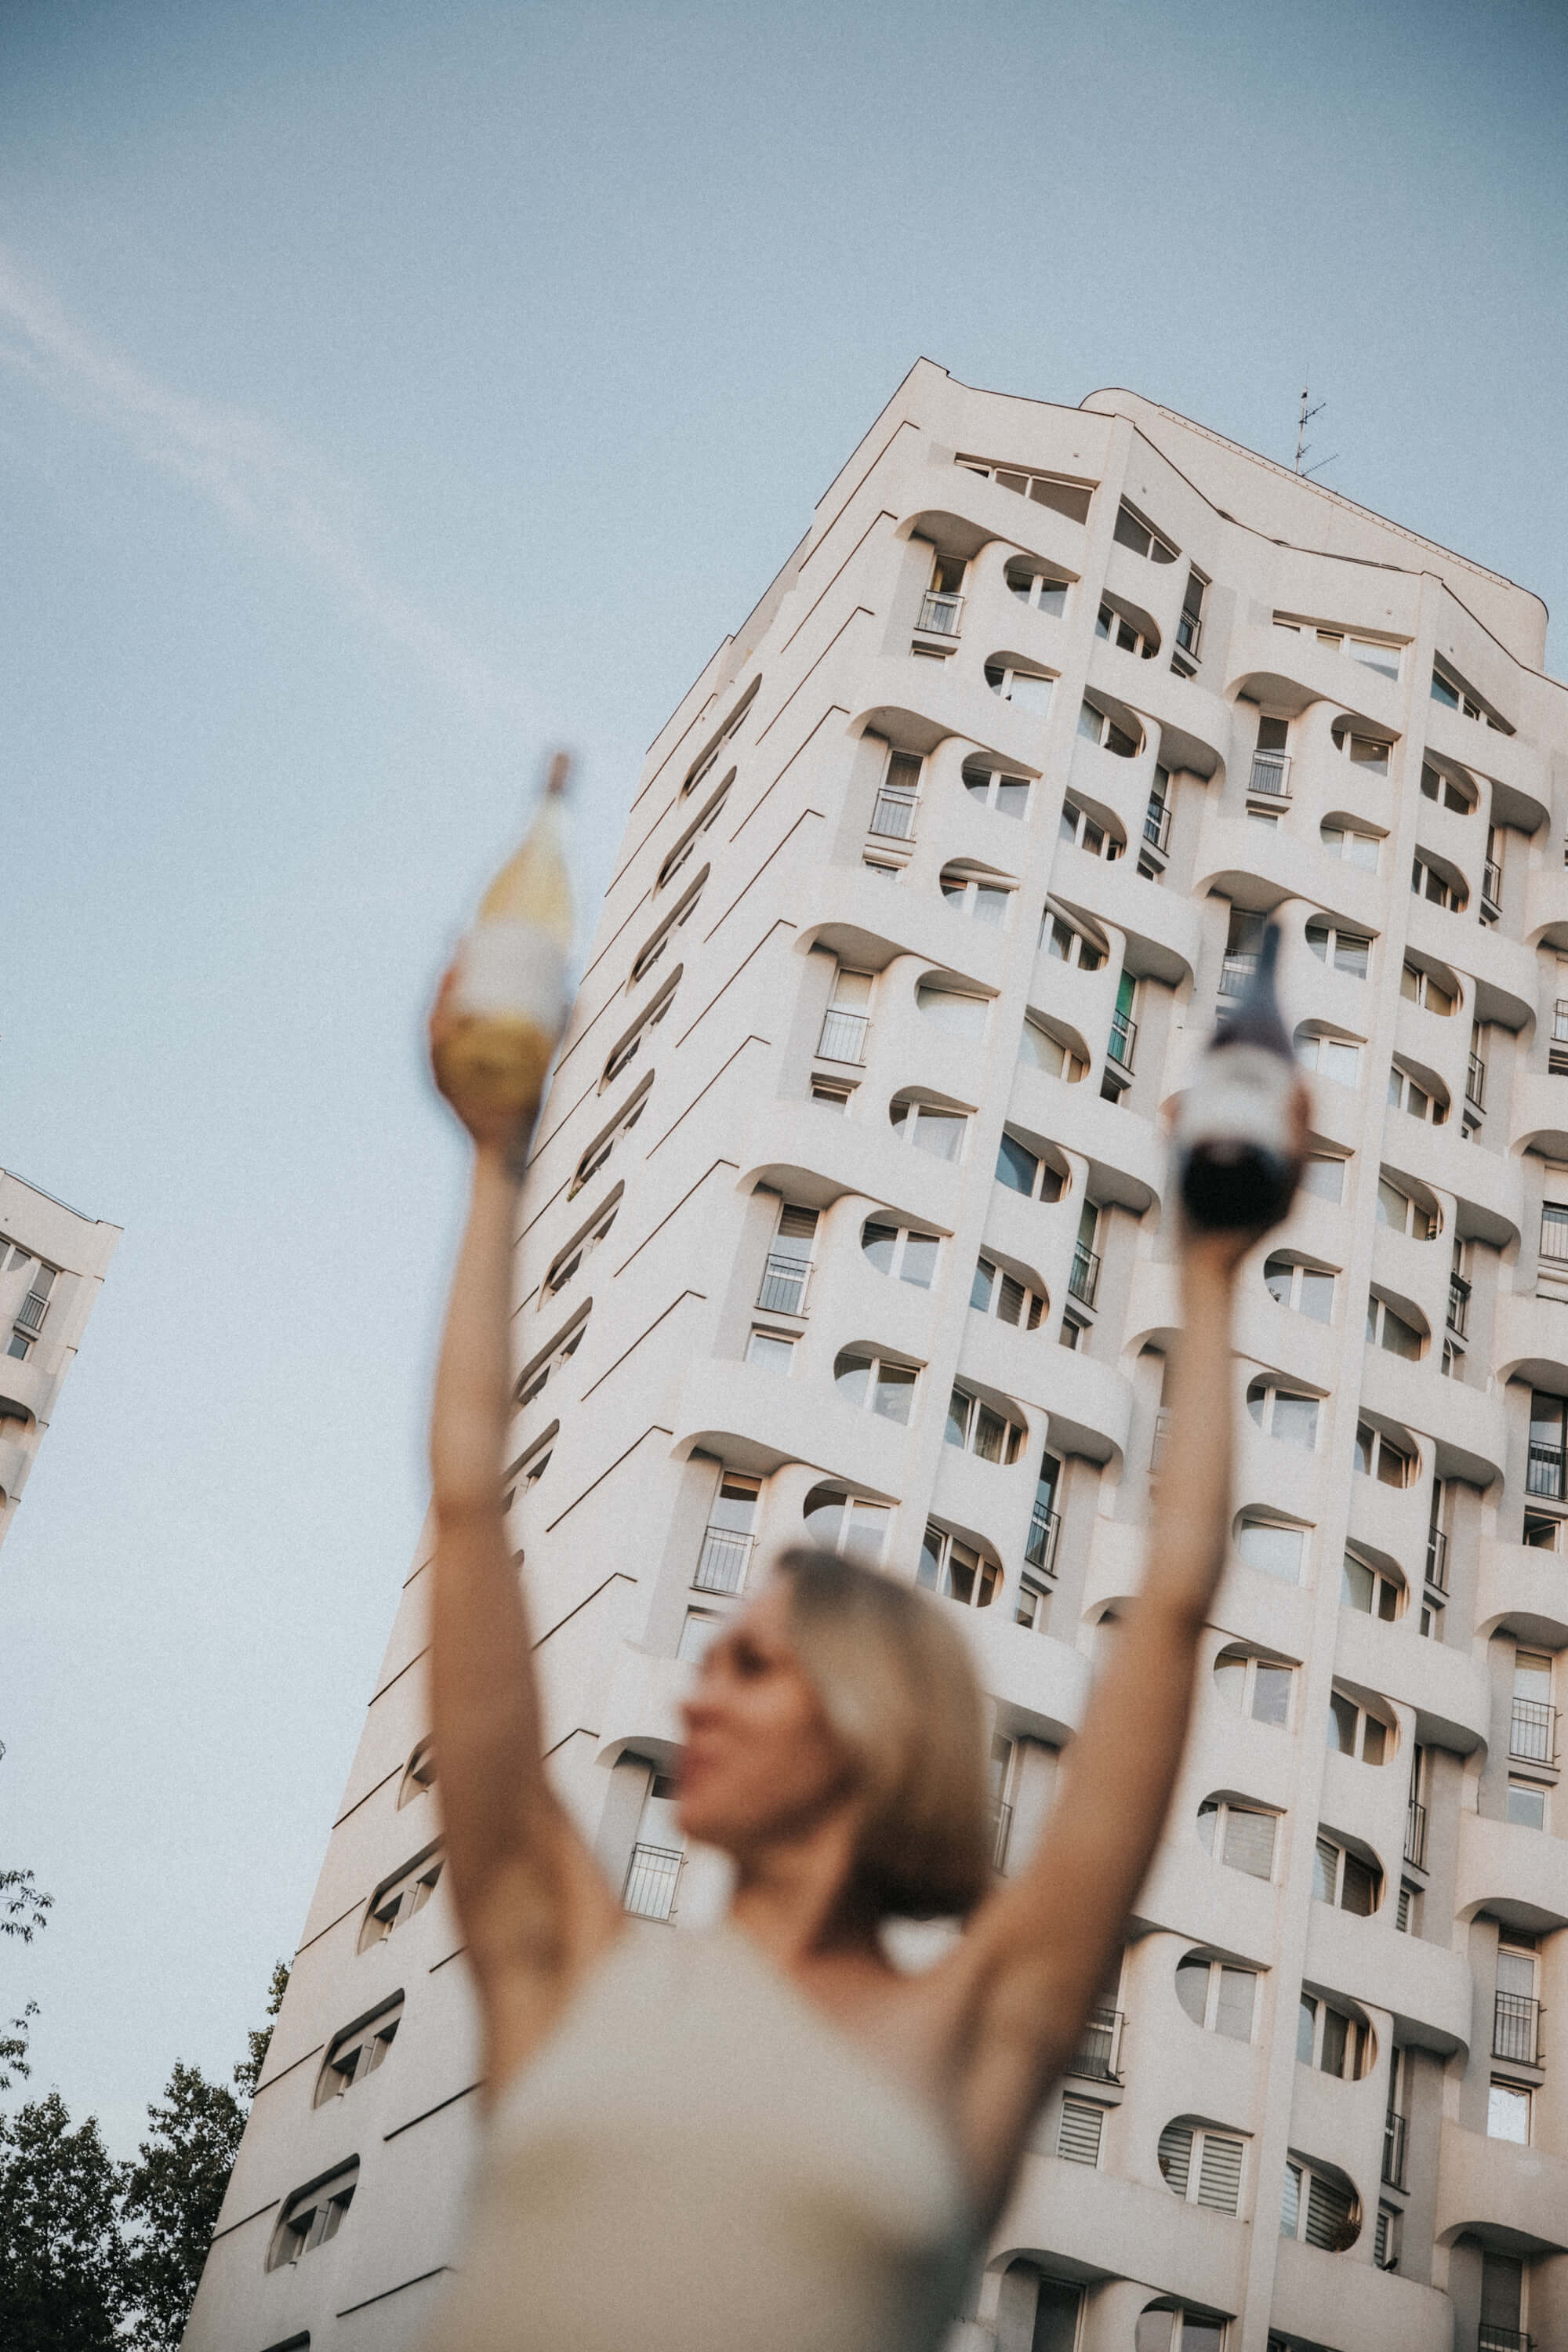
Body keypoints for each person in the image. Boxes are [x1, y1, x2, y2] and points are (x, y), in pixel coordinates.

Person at [420, 950, 1308, 2352]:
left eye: (752, 1666)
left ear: (870, 1722)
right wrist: (495, 1165)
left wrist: (1207, 1277)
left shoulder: (973, 2029)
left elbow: (1176, 1613)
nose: (697, 1692)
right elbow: (471, 1500)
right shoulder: (564, 1958)